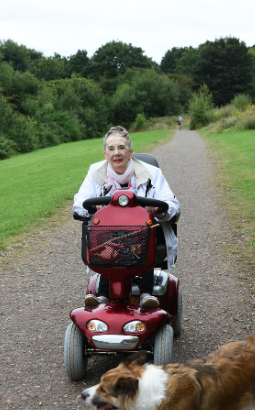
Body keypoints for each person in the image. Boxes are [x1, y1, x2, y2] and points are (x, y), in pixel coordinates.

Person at [73, 126, 180, 309]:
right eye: (112, 148)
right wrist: (92, 206)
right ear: (105, 153)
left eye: (121, 147)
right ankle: (105, 296)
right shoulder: (95, 173)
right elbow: (79, 203)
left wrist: (159, 210)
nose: (117, 153)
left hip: (141, 236)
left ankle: (146, 293)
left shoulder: (152, 173)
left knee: (139, 238)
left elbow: (172, 204)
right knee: (110, 242)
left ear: (130, 152)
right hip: (109, 236)